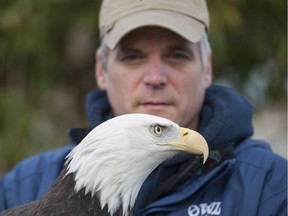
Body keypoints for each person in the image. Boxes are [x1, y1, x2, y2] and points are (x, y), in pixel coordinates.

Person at [0, 0, 287, 215]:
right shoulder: (19, 187)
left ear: (207, 69)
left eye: (176, 55)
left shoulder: (270, 188)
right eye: (133, 57)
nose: (155, 78)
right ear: (100, 70)